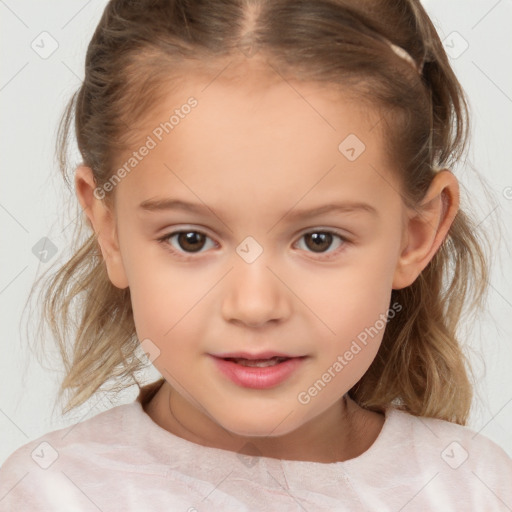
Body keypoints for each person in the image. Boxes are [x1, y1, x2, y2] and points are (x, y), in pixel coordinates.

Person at [1, 0, 511, 510]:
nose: (254, 305)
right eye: (191, 239)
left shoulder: (474, 489)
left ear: (415, 235)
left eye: (319, 240)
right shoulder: (52, 494)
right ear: (109, 230)